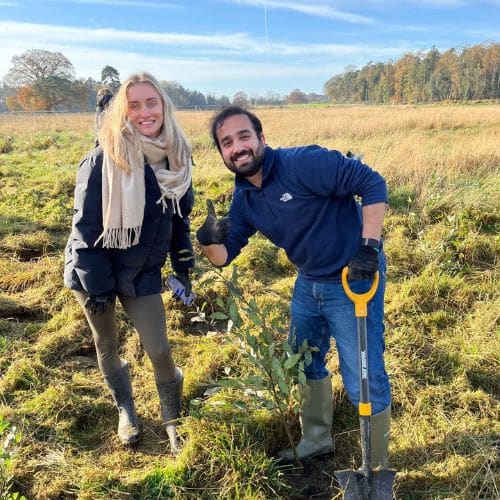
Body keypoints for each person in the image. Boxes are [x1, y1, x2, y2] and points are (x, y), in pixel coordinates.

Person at [196, 106, 391, 466]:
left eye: (244, 136)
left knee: (362, 375)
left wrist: (369, 248)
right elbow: (223, 256)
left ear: (261, 138)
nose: (237, 147)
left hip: (353, 280)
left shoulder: (304, 164)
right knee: (303, 362)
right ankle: (317, 440)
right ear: (222, 154)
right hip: (308, 283)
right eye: (227, 143)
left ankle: (375, 465)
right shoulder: (244, 199)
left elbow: (373, 183)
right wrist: (206, 239)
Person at [64, 72, 195, 454]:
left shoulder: (178, 157)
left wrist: (183, 262)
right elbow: (86, 233)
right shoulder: (101, 159)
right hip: (94, 272)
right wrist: (99, 289)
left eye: (150, 103)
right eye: (133, 105)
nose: (143, 112)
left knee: (159, 350)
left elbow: (179, 219)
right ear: (123, 110)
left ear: (163, 106)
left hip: (141, 271)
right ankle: (127, 411)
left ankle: (173, 419)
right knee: (107, 343)